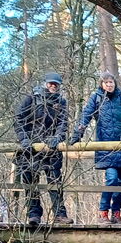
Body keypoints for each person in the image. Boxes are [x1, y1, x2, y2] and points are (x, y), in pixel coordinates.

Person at [69, 72, 121, 224]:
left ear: (115, 83)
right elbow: (86, 115)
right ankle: (103, 213)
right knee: (112, 179)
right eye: (106, 82)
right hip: (106, 147)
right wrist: (77, 134)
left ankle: (116, 213)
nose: (109, 85)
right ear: (101, 84)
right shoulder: (96, 99)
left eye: (111, 82)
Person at [14, 72, 72, 225]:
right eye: (50, 83)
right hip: (30, 149)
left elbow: (63, 123)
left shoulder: (61, 102)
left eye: (56, 84)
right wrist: (24, 139)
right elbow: (19, 118)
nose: (53, 86)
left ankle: (60, 215)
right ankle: (34, 215)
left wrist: (57, 138)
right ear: (45, 83)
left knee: (55, 181)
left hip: (51, 149)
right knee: (30, 182)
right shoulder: (31, 98)